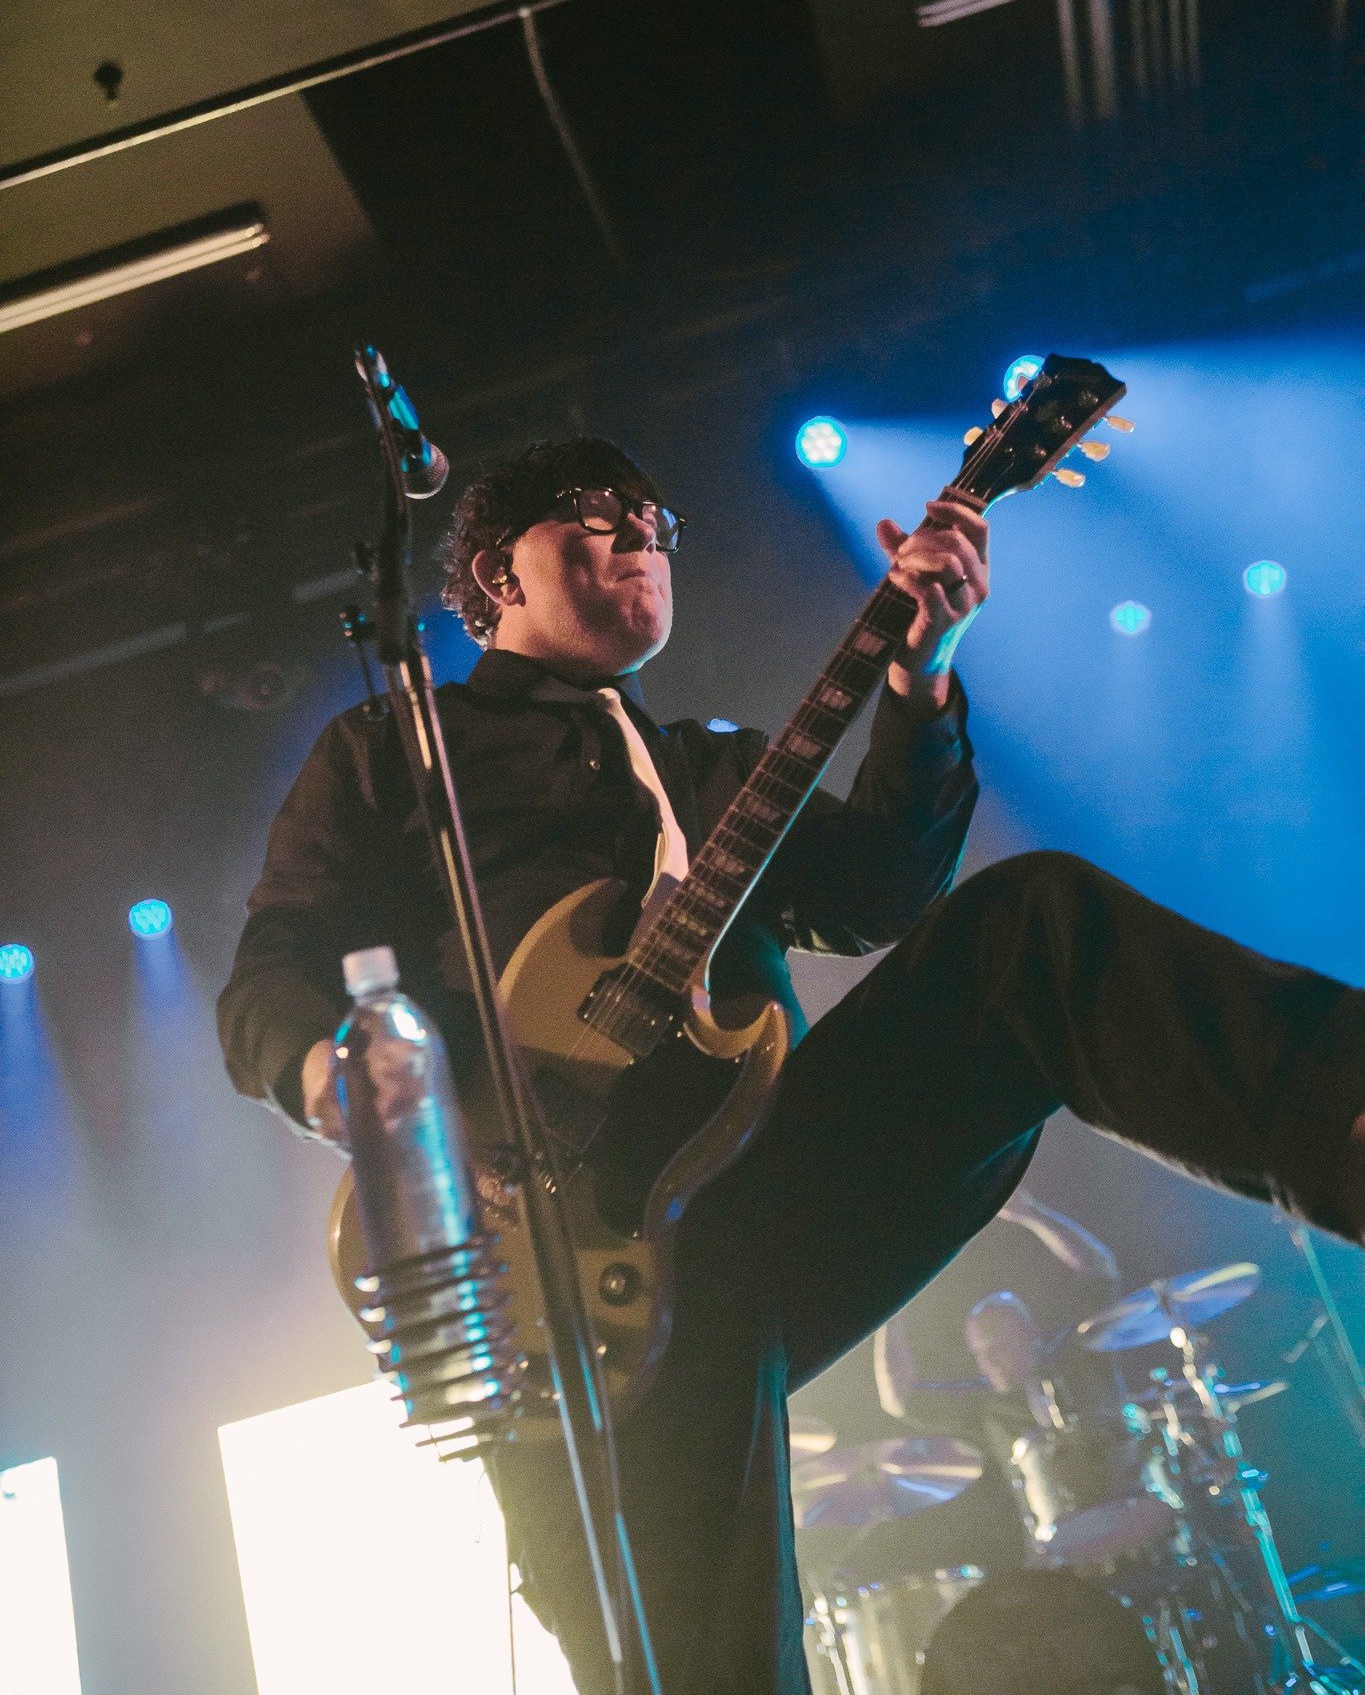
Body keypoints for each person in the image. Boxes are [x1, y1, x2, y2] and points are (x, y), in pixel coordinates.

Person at [216, 434, 1365, 1695]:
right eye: (600, 512)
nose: (644, 534)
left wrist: (921, 674)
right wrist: (366, 1097)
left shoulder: (709, 763)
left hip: (775, 1183)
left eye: (658, 517)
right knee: (704, 1657)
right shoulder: (396, 746)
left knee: (1028, 930)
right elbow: (270, 972)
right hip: (551, 1260)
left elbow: (877, 891)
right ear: (498, 572)